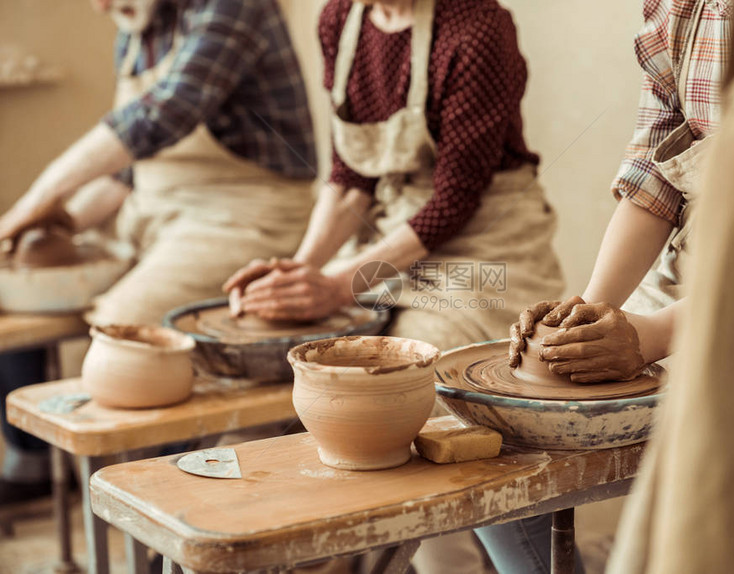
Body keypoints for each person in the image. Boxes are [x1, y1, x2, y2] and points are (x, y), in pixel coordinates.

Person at [224, 0, 564, 571]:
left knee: (408, 391)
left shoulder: (478, 27)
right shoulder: (340, 20)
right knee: (303, 350)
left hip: (486, 248)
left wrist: (338, 285)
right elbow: (350, 177)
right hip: (390, 237)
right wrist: (302, 274)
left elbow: (454, 202)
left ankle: (448, 560)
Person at [0, 0, 317, 506]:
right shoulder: (138, 21)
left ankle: (170, 510)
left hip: (243, 214)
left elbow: (161, 114)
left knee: (121, 332)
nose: (101, 7)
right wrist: (55, 225)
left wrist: (35, 200)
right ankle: (31, 459)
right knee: (13, 288)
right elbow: (130, 169)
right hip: (152, 215)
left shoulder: (234, 6)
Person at [476, 0, 734, 572]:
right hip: (700, 251)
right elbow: (657, 170)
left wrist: (657, 334)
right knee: (503, 428)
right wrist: (591, 308)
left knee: (707, 466)